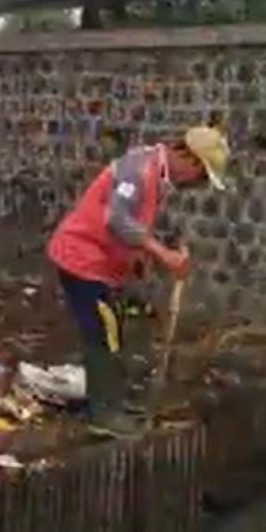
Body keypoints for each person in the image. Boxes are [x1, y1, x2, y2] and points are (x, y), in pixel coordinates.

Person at [46, 125, 230, 439]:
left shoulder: (154, 174)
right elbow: (116, 220)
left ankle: (109, 403)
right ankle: (103, 414)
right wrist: (163, 255)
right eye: (199, 175)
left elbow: (130, 222)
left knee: (111, 329)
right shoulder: (140, 169)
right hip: (81, 258)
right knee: (104, 334)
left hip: (99, 263)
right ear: (191, 160)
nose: (194, 184)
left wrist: (137, 259)